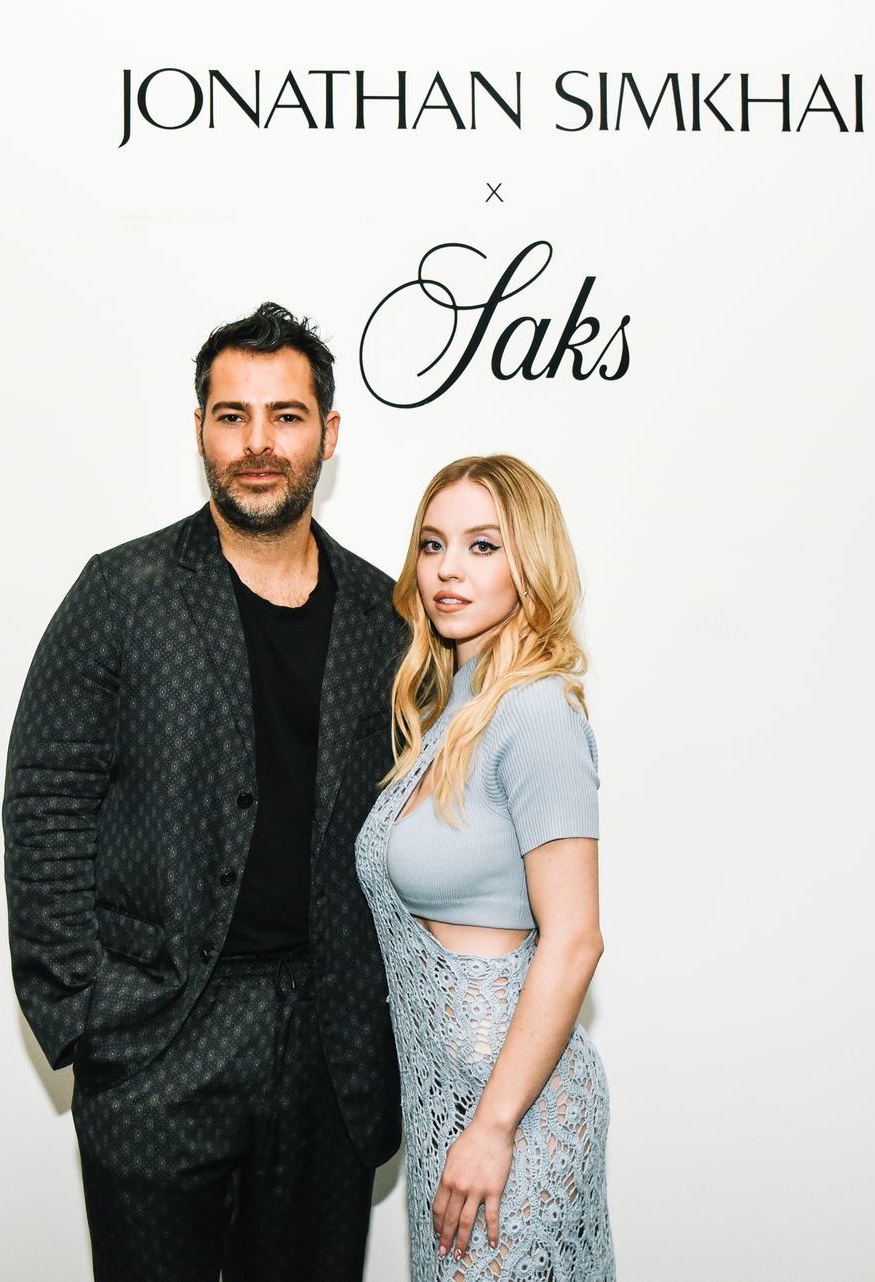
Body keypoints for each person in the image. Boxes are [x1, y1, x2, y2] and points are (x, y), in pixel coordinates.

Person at [3, 302, 406, 1282]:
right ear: (200, 432)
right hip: (159, 1044)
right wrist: (85, 1013)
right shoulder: (123, 592)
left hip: (328, 1051)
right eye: (233, 416)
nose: (258, 443)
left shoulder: (384, 616)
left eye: (286, 416)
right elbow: (47, 797)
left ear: (329, 434)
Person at [355, 455, 614, 1281]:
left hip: (514, 1115)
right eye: (432, 544)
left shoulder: (536, 711)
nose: (447, 569)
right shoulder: (456, 707)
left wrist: (495, 1126)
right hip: (449, 1105)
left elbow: (575, 940)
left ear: (529, 561)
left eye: (481, 545)